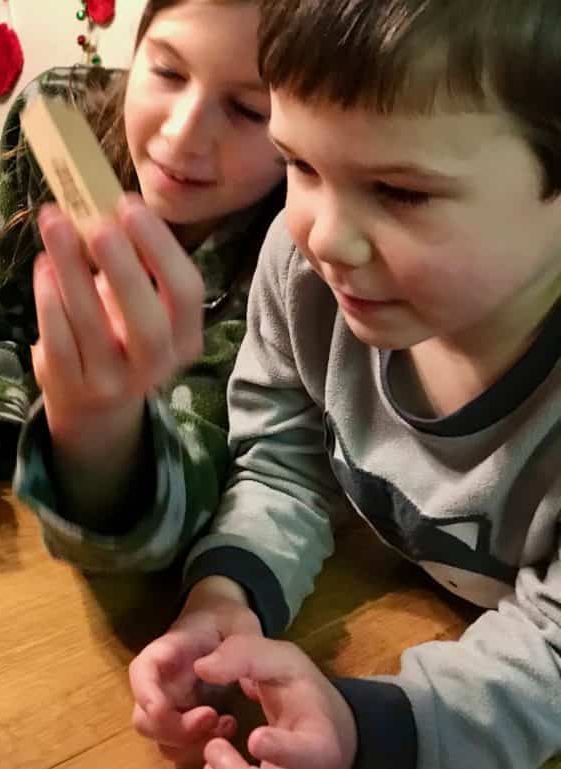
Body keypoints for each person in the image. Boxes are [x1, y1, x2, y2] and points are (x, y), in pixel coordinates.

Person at [129, 1, 561, 768]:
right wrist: (226, 599)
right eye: (300, 164)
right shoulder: (304, 277)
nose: (324, 235)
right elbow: (281, 465)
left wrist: (374, 725)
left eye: (400, 192)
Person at [0, 0, 285, 566]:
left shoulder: (298, 248)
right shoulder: (60, 125)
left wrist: (101, 439)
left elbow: (231, 487)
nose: (183, 134)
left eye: (247, 109)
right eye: (166, 72)